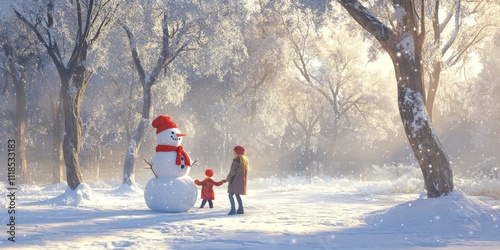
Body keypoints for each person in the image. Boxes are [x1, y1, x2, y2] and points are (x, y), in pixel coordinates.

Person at [224, 145, 249, 215]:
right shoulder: (244, 161)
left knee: (230, 195)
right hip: (240, 182)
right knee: (237, 195)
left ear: (237, 152)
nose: (233, 153)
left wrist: (227, 179)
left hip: (235, 181)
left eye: (234, 151)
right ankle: (241, 209)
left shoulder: (236, 161)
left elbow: (232, 172)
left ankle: (233, 209)